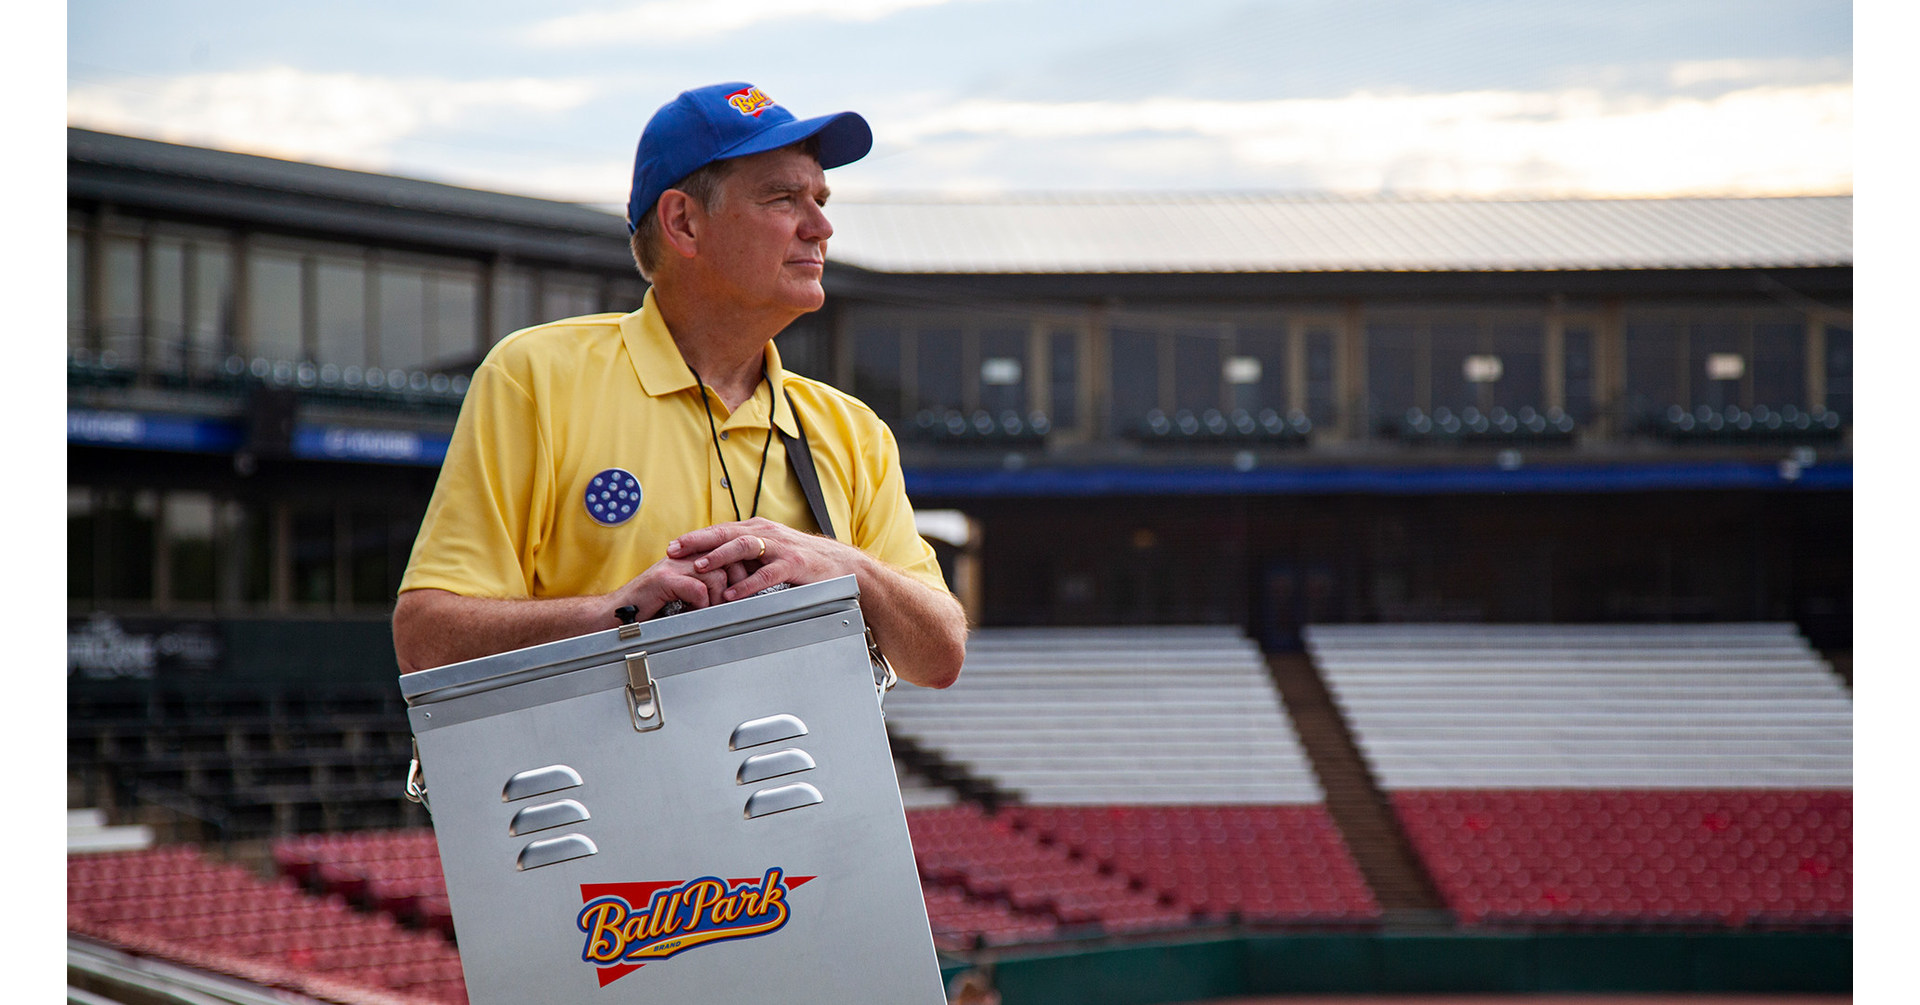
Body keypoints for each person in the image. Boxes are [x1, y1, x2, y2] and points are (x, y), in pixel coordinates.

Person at [391, 82, 966, 689]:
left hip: (790, 781)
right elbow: (425, 638)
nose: (821, 226)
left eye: (821, 198)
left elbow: (940, 657)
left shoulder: (852, 430)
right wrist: (618, 616)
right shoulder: (537, 376)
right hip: (588, 783)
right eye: (783, 199)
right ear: (683, 223)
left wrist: (843, 567)